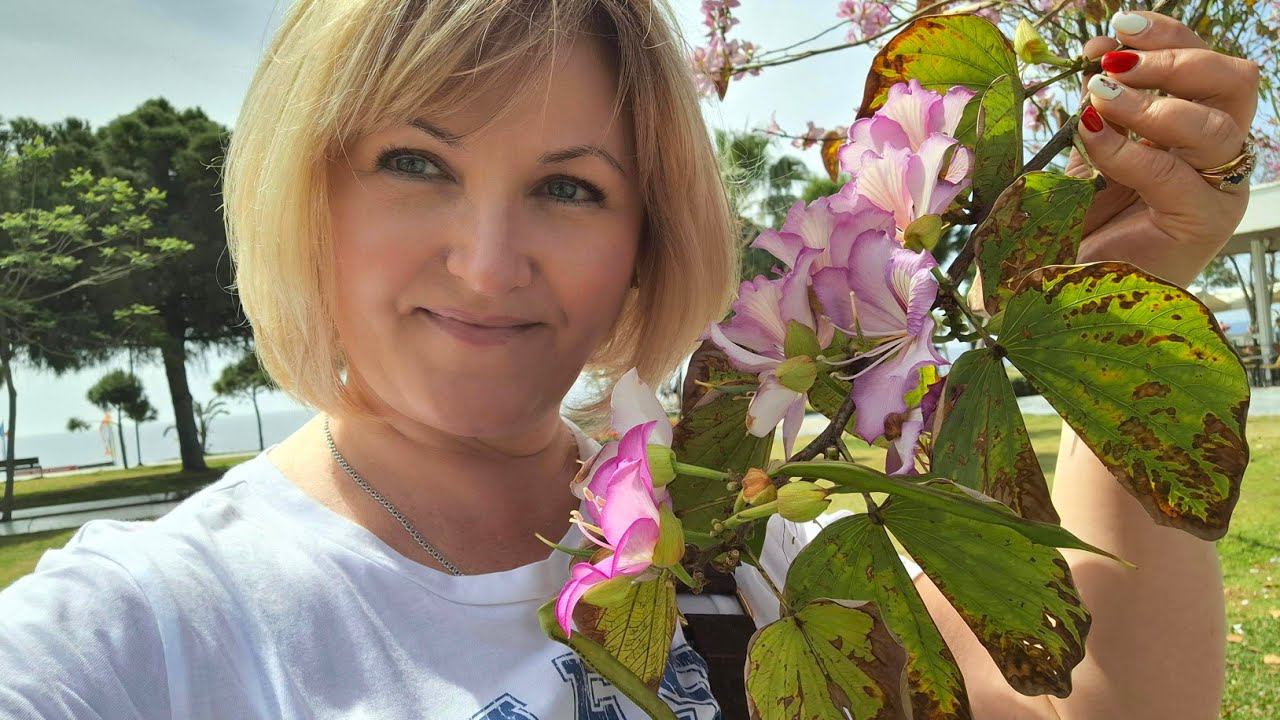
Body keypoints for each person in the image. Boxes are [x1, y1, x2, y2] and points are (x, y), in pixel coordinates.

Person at [0, 2, 1259, 719]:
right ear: (303, 191)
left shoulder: (752, 549)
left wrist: (1128, 313)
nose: (486, 264)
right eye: (413, 163)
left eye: (569, 186)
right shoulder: (142, 631)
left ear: (646, 241)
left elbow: (1105, 705)